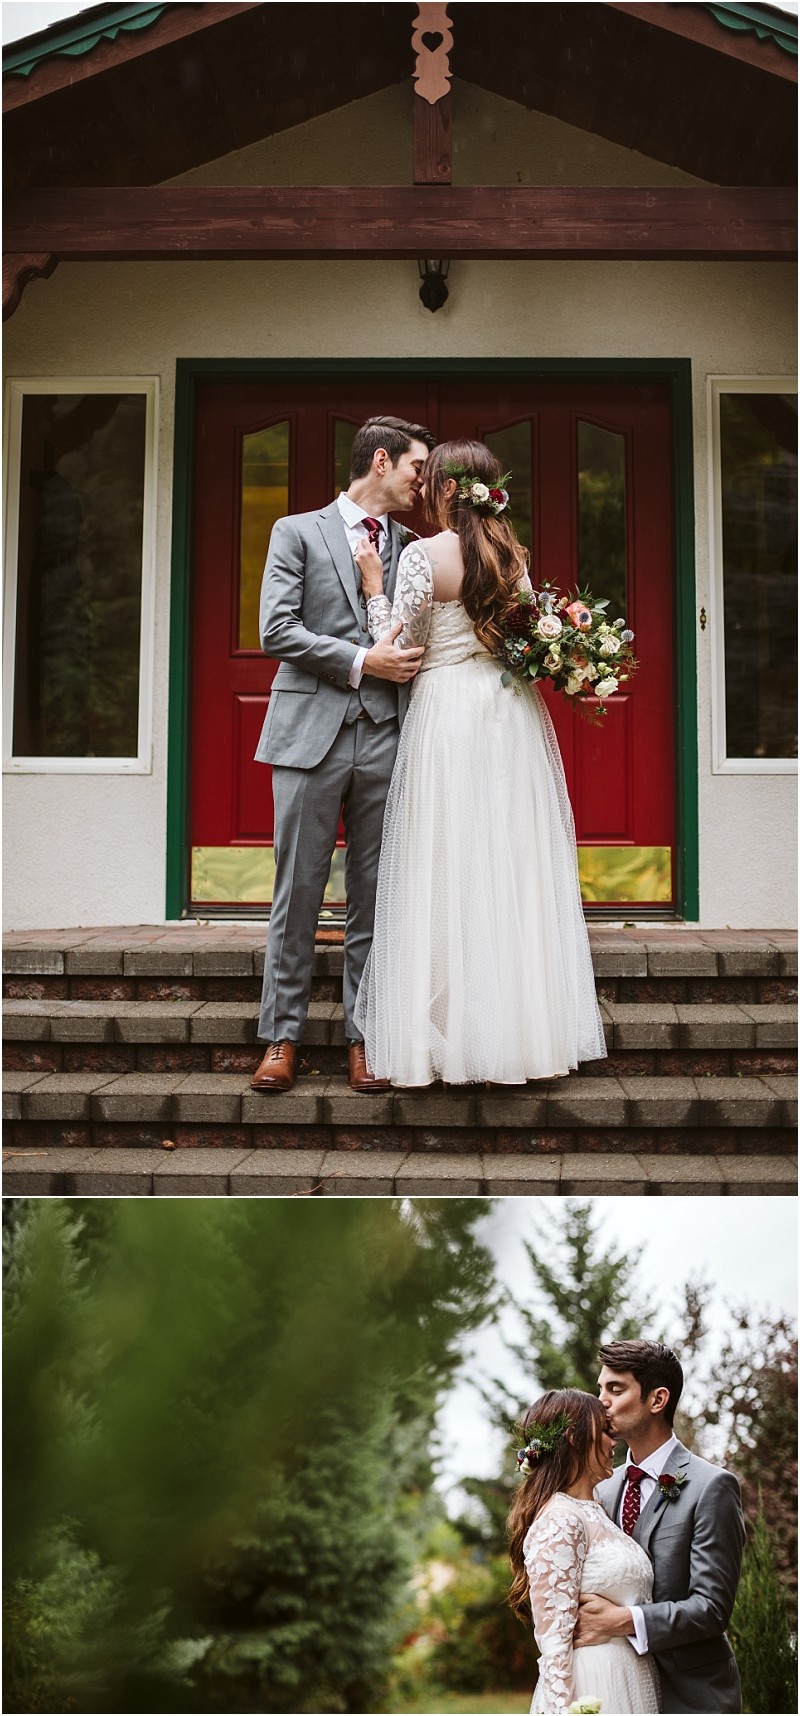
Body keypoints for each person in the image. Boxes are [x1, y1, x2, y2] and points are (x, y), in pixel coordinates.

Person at [353, 439, 606, 1085]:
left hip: (447, 713)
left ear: (442, 487)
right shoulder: (510, 555)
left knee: (445, 860)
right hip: (508, 713)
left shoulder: (420, 556)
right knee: (507, 862)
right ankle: (516, 1036)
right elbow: (519, 640)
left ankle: (444, 1032)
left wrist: (375, 591)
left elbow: (402, 649)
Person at [251, 414, 435, 1094]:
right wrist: (364, 660)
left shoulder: (415, 548)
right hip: (309, 737)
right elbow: (276, 630)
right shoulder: (296, 531)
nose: (423, 481)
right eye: (417, 466)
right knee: (296, 893)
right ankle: (281, 1036)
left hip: (388, 736)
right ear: (381, 461)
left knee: (374, 897)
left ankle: (365, 1036)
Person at [578, 1340, 745, 1715]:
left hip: (690, 1697)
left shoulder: (711, 1487)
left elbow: (711, 1608)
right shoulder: (601, 1488)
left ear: (657, 1400)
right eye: (600, 1388)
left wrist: (622, 1621)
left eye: (615, 1389)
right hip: (615, 1687)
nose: (600, 1401)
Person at [508, 1387, 661, 1714]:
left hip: (630, 1676)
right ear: (575, 1438)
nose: (613, 1441)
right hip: (594, 1685)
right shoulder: (561, 1519)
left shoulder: (598, 1509)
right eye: (605, 1431)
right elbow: (553, 1645)